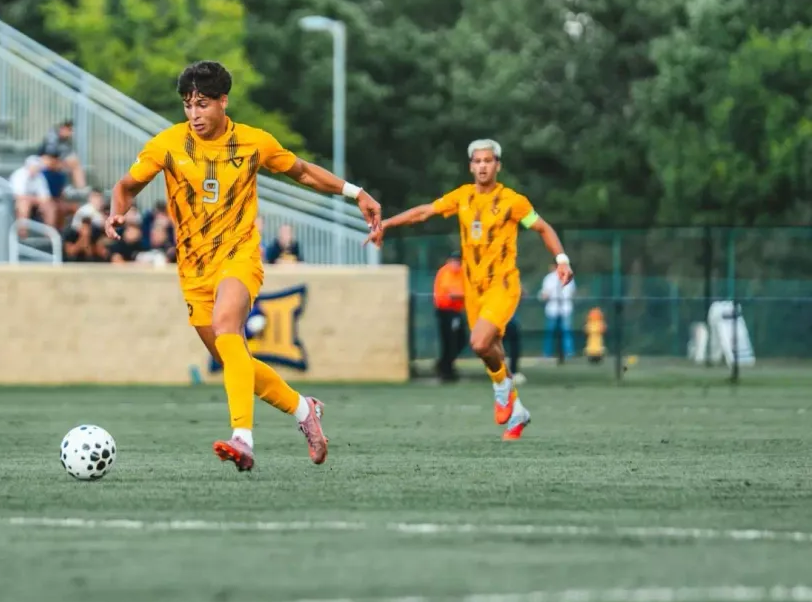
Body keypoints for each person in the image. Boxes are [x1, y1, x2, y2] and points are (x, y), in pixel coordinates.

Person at [105, 60, 382, 471]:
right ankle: (304, 410)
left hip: (239, 255)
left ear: (222, 101)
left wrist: (355, 192)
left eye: (202, 104)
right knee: (235, 357)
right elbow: (127, 184)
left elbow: (302, 172)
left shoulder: (254, 143)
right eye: (187, 105)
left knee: (227, 330)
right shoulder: (167, 145)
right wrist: (117, 211)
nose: (194, 114)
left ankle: (243, 438)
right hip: (193, 268)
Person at [367, 138, 572, 441]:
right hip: (473, 288)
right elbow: (425, 211)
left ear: (497, 165)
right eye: (477, 161)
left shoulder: (513, 201)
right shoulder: (462, 197)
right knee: (490, 348)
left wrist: (561, 259)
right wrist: (386, 225)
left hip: (503, 284)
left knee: (478, 343)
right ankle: (518, 412)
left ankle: (503, 392)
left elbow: (543, 227)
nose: (482, 166)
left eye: (488, 161)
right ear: (470, 166)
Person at [433, 251, 466, 381]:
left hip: (455, 311)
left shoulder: (461, 272)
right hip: (446, 311)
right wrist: (467, 294)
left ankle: (445, 364)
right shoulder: (446, 272)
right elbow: (452, 293)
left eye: (458, 261)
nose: (456, 263)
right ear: (449, 261)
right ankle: (445, 369)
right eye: (454, 260)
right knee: (449, 341)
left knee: (459, 340)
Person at [540, 262, 577, 360]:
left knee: (561, 332)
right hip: (556, 308)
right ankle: (565, 353)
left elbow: (545, 294)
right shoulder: (554, 277)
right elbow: (573, 292)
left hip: (562, 308)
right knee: (555, 332)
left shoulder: (550, 278)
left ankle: (560, 353)